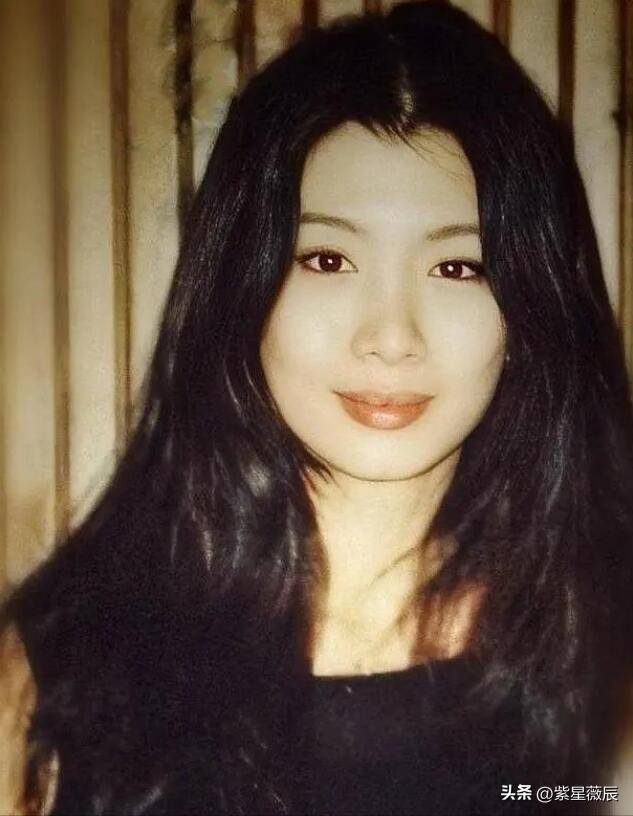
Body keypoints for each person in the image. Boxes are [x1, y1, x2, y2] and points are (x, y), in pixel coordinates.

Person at [1, 2, 632, 813]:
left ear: (529, 304)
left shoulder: (604, 663)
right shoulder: (55, 677)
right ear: (243, 283)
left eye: (458, 268)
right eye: (328, 259)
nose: (390, 338)